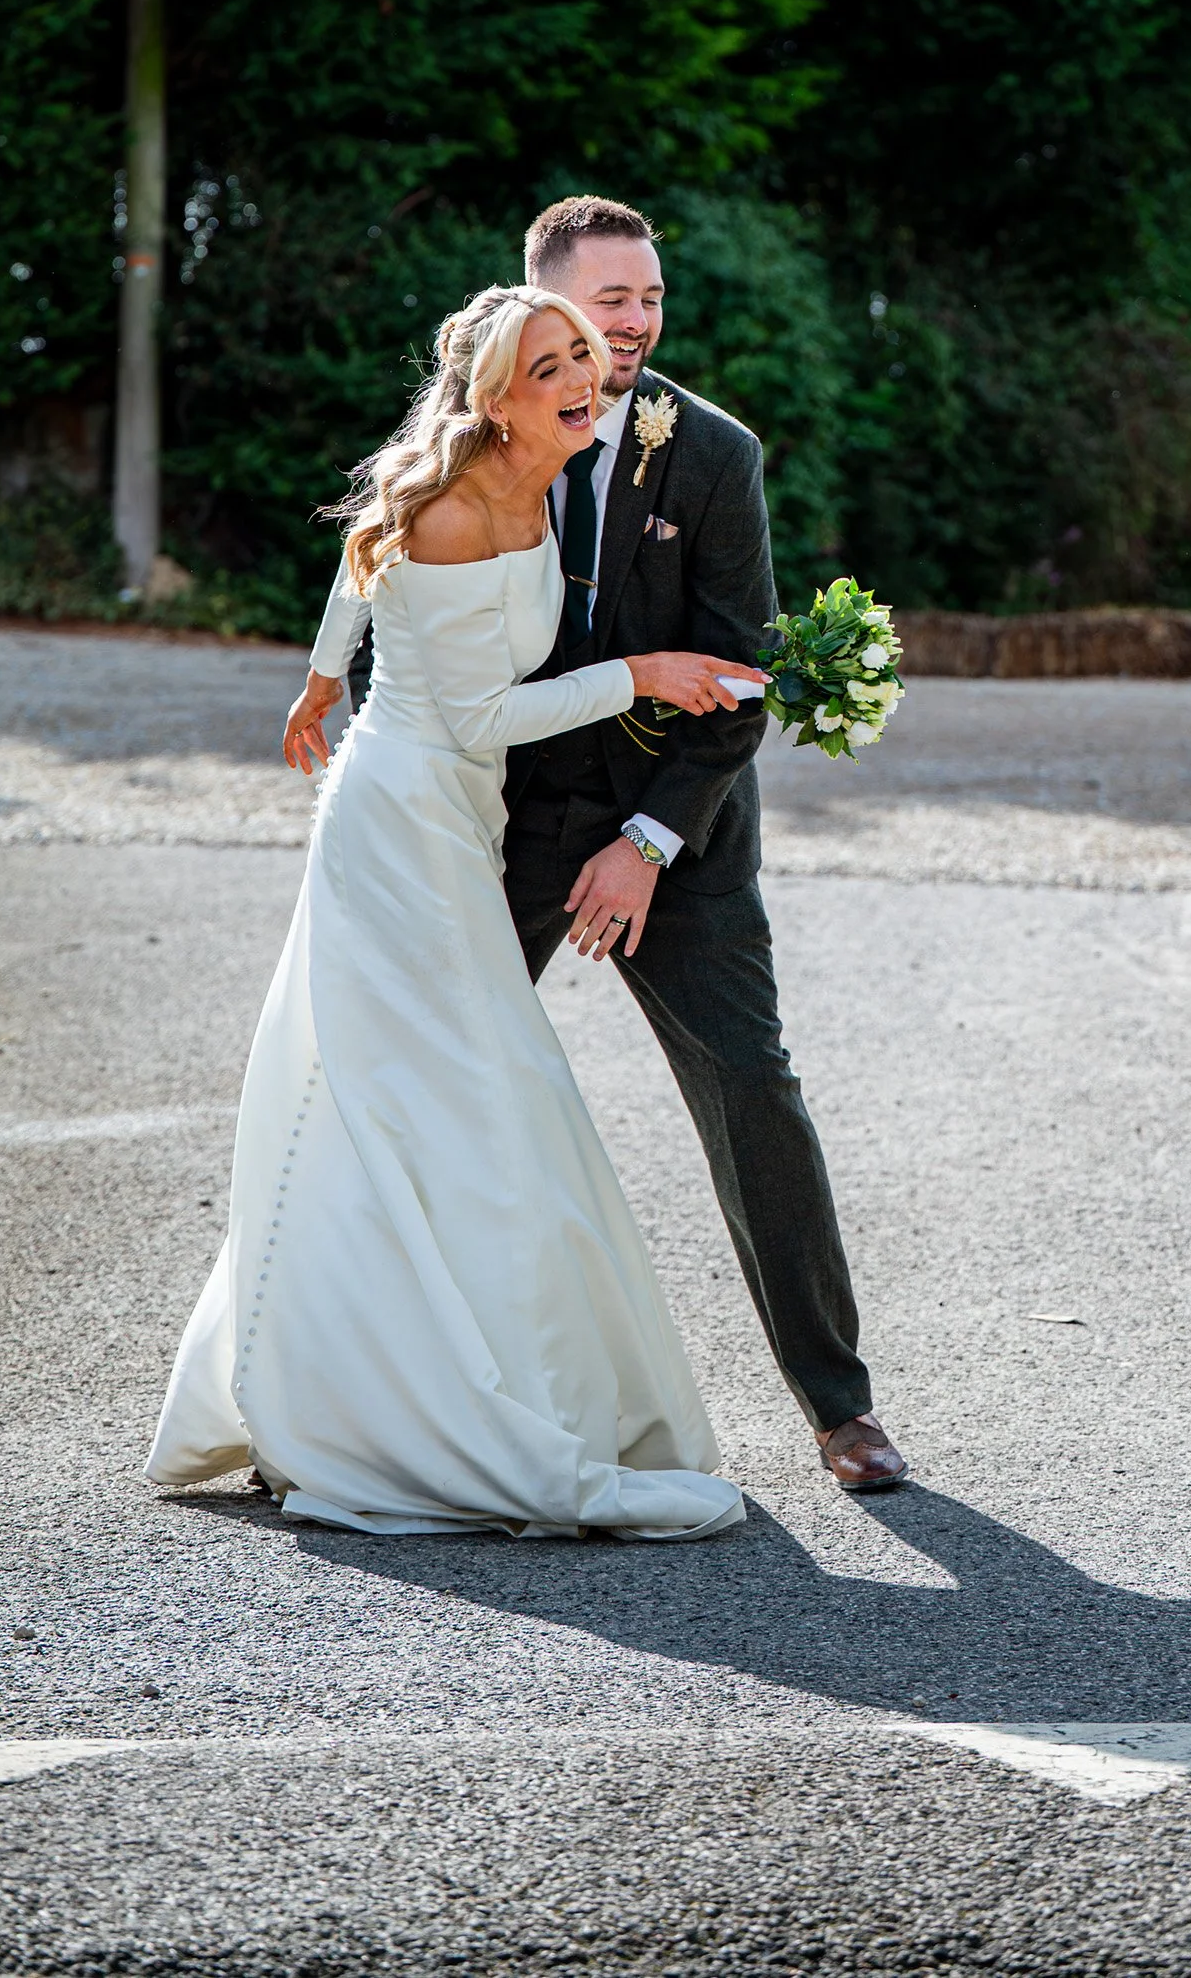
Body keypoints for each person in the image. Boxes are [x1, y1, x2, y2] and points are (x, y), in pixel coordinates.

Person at [147, 285, 762, 1539]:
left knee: (413, 1090)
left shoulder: (525, 469)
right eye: (551, 363)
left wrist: (323, 673)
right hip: (400, 825)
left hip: (448, 809)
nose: (582, 375)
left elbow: (348, 564)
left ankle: (341, 1367)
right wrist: (640, 674)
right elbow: (480, 708)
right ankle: (389, 1398)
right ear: (496, 397)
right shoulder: (455, 500)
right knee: (443, 1092)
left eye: (583, 355)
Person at [500, 196, 907, 1495]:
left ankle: (841, 1410)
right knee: (422, 1076)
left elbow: (740, 679)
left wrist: (645, 843)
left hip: (677, 829)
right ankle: (395, 1379)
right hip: (501, 826)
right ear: (543, 300)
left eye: (651, 300)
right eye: (611, 298)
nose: (635, 322)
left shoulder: (715, 454)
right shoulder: (472, 437)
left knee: (754, 1091)